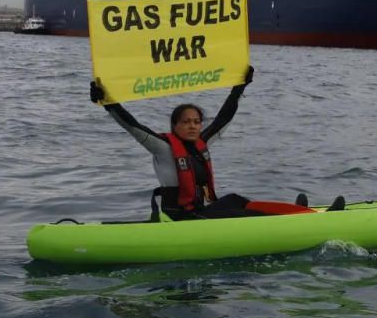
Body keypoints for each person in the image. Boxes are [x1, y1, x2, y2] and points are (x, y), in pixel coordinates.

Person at [90, 66, 256, 220]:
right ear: (174, 126)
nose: (192, 126)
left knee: (236, 200)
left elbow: (223, 119)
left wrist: (240, 86)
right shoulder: (162, 147)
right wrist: (107, 102)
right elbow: (133, 126)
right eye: (186, 122)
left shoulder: (201, 144)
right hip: (179, 218)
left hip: (199, 212)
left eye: (196, 122)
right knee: (245, 215)